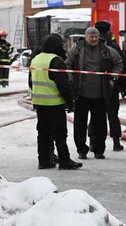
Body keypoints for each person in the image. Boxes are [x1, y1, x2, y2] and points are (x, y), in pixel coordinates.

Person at [65, 26, 122, 159]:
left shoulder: (106, 50)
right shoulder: (77, 49)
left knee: (100, 124)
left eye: (96, 36)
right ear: (86, 37)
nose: (94, 39)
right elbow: (67, 64)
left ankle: (99, 150)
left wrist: (113, 78)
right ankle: (81, 150)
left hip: (100, 94)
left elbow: (118, 63)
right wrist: (71, 79)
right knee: (80, 124)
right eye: (91, 36)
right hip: (81, 94)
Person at [30, 34, 83, 170]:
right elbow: (63, 85)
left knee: (43, 133)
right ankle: (64, 160)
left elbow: (30, 82)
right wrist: (70, 102)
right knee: (60, 134)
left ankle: (44, 161)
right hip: (54, 104)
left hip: (39, 103)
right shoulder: (56, 61)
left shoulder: (35, 59)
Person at [94, 20, 126, 151]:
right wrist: (123, 87)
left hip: (94, 86)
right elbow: (122, 67)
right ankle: (116, 143)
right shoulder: (114, 46)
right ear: (108, 31)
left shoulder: (89, 45)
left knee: (95, 114)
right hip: (112, 85)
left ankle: (93, 142)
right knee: (113, 114)